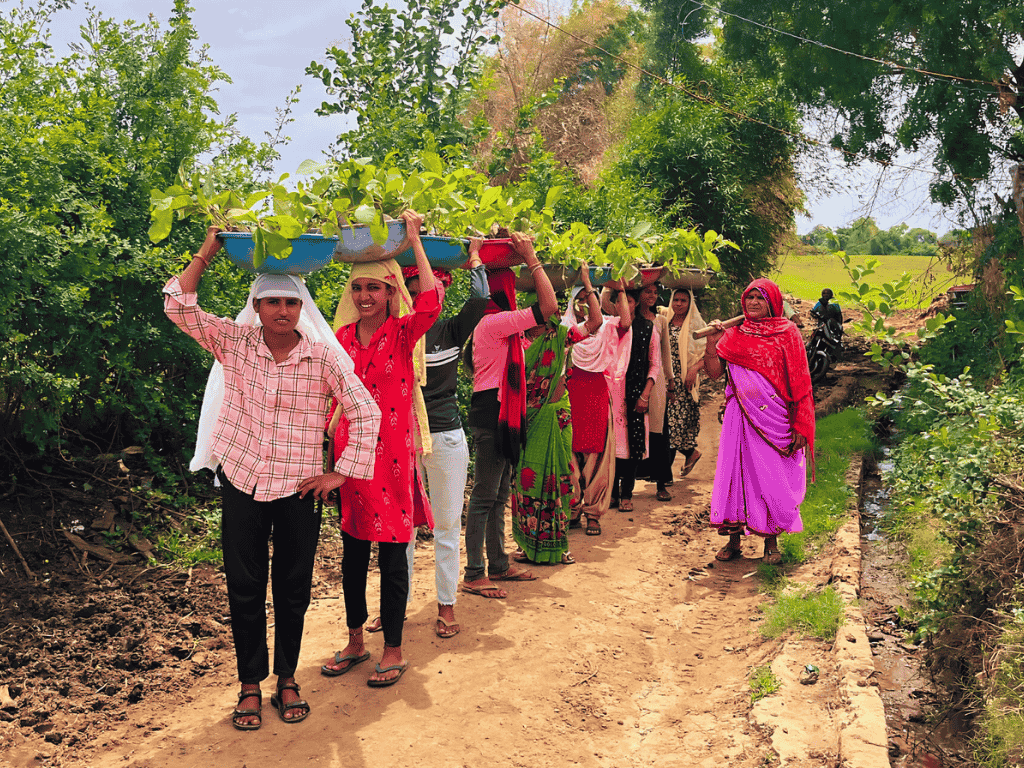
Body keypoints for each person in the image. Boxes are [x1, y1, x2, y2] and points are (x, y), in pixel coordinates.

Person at [164, 227, 381, 730]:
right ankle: (248, 686)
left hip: (298, 490)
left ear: (302, 308)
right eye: (271, 302)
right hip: (242, 481)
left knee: (292, 588)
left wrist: (340, 473)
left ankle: (286, 678)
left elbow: (365, 412)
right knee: (243, 586)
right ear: (256, 307)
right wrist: (210, 248)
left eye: (290, 301)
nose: (282, 310)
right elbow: (178, 305)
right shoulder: (234, 342)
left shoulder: (323, 356)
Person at [320, 210, 440, 687]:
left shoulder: (404, 333)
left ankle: (392, 648)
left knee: (392, 556)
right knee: (352, 554)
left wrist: (412, 241)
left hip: (392, 462)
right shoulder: (340, 341)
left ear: (391, 292)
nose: (365, 296)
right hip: (350, 464)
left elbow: (431, 300)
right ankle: (355, 641)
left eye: (374, 287)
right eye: (358, 288)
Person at [400, 238, 489, 638]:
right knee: (400, 529)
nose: (423, 295)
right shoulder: (396, 331)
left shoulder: (452, 330)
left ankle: (447, 604)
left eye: (430, 288)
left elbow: (482, 296)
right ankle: (394, 605)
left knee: (447, 525)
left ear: (442, 290)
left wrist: (474, 256)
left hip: (446, 437)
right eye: (414, 288)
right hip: (404, 439)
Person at [461, 233, 558, 598]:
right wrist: (531, 258)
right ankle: (474, 572)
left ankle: (498, 564)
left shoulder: (503, 330)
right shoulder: (493, 324)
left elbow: (553, 320)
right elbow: (547, 308)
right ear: (505, 295)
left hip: (498, 413)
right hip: (493, 414)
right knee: (486, 496)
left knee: (498, 493)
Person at [702, 278, 815, 565]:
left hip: (774, 418)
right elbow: (715, 372)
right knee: (734, 476)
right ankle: (733, 539)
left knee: (769, 477)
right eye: (749, 297)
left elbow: (801, 382)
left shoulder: (787, 334)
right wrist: (712, 340)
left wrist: (802, 423)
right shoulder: (733, 334)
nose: (753, 302)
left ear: (772, 303)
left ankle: (771, 542)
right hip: (738, 416)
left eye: (760, 298)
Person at [510, 267, 603, 564]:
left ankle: (558, 544)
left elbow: (596, 321)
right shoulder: (515, 341)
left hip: (557, 415)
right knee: (528, 480)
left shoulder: (560, 336)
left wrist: (588, 283)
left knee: (561, 477)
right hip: (527, 419)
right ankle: (528, 543)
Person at [566, 287, 632, 536]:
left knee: (597, 457)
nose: (584, 304)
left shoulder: (605, 327)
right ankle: (571, 509)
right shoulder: (567, 330)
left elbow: (626, 322)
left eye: (588, 299)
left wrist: (621, 291)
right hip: (569, 395)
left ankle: (593, 513)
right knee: (569, 455)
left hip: (596, 395)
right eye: (579, 300)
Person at [607, 287, 661, 513]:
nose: (625, 306)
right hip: (611, 394)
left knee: (632, 445)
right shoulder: (607, 328)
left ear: (635, 303)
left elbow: (654, 364)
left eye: (629, 301)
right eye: (620, 301)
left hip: (636, 393)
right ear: (614, 305)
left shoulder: (648, 329)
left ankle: (626, 493)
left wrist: (645, 394)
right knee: (610, 446)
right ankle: (610, 493)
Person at [636, 282, 674, 501]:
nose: (651, 296)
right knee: (633, 428)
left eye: (654, 292)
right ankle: (626, 484)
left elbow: (665, 352)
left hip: (657, 379)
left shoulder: (660, 321)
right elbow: (605, 302)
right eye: (647, 291)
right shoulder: (628, 318)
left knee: (658, 430)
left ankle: (661, 483)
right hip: (632, 378)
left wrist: (671, 381)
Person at [665, 288, 708, 478]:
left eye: (683, 300)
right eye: (676, 300)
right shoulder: (664, 320)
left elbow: (710, 352)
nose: (679, 304)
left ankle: (664, 476)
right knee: (667, 427)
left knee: (674, 427)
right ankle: (691, 453)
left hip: (684, 383)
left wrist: (694, 369)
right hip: (665, 380)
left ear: (690, 303)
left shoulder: (696, 325)